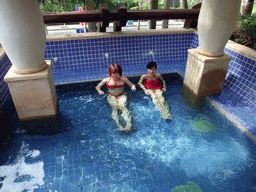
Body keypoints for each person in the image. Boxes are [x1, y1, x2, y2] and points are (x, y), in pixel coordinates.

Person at [96, 64, 136, 131]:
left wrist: (133, 87)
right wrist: (99, 91)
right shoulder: (106, 80)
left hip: (122, 95)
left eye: (117, 73)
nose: (115, 75)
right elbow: (97, 87)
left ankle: (129, 124)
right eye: (113, 73)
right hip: (111, 96)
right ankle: (119, 125)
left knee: (123, 106)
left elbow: (132, 84)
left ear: (120, 73)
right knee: (114, 108)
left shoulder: (124, 79)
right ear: (110, 73)